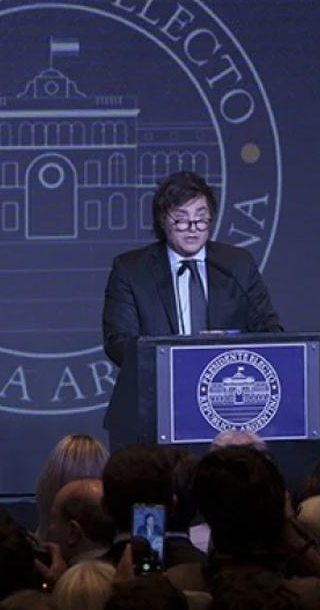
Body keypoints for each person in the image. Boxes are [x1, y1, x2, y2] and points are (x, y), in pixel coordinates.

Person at [101, 171, 283, 436]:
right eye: (181, 219)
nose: (193, 228)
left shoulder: (237, 264)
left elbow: (269, 331)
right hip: (153, 410)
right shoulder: (131, 269)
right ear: (163, 221)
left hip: (228, 412)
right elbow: (118, 342)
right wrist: (178, 366)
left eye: (201, 218)